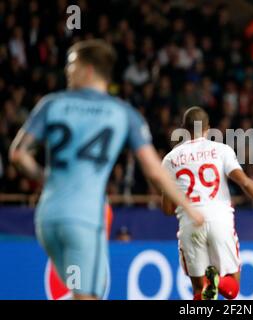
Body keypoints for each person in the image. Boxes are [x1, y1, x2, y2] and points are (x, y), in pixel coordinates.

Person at [9, 39, 204, 300]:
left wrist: (45, 178)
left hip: (48, 218)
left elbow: (18, 154)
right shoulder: (122, 113)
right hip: (85, 220)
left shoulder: (51, 104)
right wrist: (189, 207)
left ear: (88, 70)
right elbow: (154, 171)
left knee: (88, 293)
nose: (67, 71)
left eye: (72, 65)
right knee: (87, 296)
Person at [161, 106, 253, 300]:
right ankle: (216, 279)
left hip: (191, 223)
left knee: (200, 292)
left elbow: (167, 209)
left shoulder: (170, 159)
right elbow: (244, 182)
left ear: (183, 127)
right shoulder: (221, 150)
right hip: (219, 221)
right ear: (208, 128)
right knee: (232, 288)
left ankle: (211, 281)